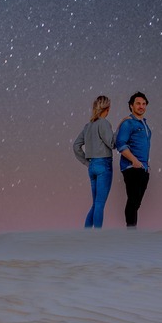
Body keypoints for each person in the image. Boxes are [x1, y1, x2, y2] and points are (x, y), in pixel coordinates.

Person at [72, 95, 117, 228]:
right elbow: (112, 143)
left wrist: (87, 162)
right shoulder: (104, 123)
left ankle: (87, 236)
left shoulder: (88, 126)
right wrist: (119, 130)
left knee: (95, 203)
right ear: (107, 108)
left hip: (92, 166)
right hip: (104, 165)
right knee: (99, 204)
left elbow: (76, 146)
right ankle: (96, 238)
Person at [114, 92, 152, 226]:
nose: (141, 106)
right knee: (133, 201)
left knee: (136, 203)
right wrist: (135, 161)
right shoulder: (129, 123)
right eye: (138, 103)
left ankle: (132, 232)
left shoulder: (144, 124)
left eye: (143, 104)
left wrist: (145, 166)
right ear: (131, 106)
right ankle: (131, 234)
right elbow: (120, 144)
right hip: (132, 168)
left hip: (143, 168)